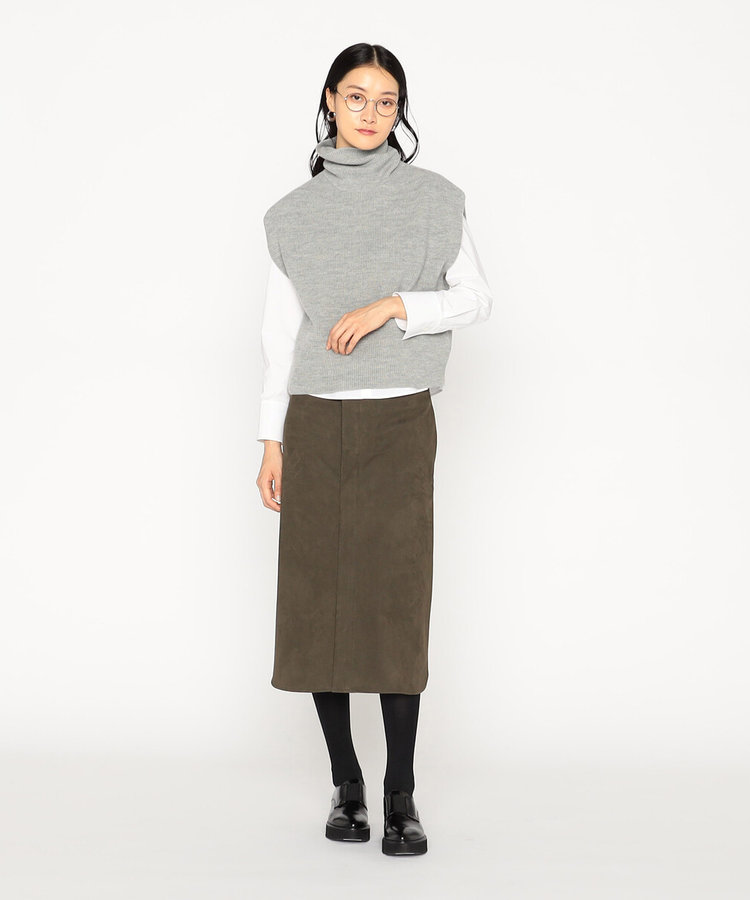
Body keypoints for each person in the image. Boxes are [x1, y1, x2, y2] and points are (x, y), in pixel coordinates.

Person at [255, 43, 493, 856]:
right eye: (355, 97)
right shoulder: (292, 215)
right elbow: (278, 338)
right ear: (329, 100)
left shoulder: (435, 200)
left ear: (400, 110)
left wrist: (395, 304)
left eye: (386, 101)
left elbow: (476, 298)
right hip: (315, 422)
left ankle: (402, 795)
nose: (370, 113)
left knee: (394, 604)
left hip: (398, 424)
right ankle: (347, 784)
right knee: (317, 607)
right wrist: (270, 438)